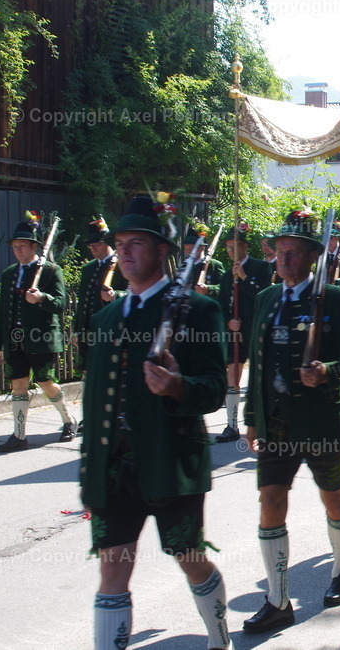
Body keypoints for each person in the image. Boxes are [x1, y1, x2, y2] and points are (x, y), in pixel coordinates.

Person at [80, 195, 230, 650]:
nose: (124, 252)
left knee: (190, 559)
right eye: (120, 243)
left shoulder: (196, 311)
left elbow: (213, 390)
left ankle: (219, 637)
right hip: (115, 468)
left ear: (162, 250)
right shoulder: (105, 317)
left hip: (170, 463)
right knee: (113, 567)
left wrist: (177, 387)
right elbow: (95, 400)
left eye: (136, 244)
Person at [240, 211, 340, 633]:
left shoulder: (334, 298)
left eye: (293, 253)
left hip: (320, 422)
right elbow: (256, 367)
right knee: (270, 500)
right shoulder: (265, 299)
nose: (285, 260)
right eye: (280, 253)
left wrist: (328, 371)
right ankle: (278, 599)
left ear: (313, 257)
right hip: (276, 421)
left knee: (332, 497)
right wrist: (252, 419)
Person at [0, 211, 76, 450]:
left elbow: (61, 304)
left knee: (46, 381)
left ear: (33, 247)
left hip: (42, 339)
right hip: (14, 341)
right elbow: (3, 312)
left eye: (22, 246)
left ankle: (68, 420)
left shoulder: (49, 270)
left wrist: (41, 298)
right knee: (18, 385)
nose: (18, 251)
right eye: (14, 246)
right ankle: (19, 436)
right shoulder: (9, 275)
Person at [216, 224, 272, 443]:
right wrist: (228, 321)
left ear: (245, 246)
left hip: (255, 331)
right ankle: (231, 425)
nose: (230, 252)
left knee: (259, 379)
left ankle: (261, 423)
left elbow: (263, 296)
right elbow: (221, 305)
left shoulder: (261, 268)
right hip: (235, 334)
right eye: (228, 247)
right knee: (233, 376)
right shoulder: (225, 276)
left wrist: (246, 278)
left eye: (234, 247)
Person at [75, 216, 128, 371]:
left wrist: (115, 296)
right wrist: (77, 331)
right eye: (91, 246)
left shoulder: (122, 265)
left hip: (111, 330)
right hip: (88, 332)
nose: (93, 249)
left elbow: (134, 294)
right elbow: (83, 302)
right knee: (87, 372)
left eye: (97, 245)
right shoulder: (87, 269)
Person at [183, 227, 226, 298]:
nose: (187, 252)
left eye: (191, 249)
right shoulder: (184, 267)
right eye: (185, 248)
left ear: (202, 247)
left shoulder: (215, 265)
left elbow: (225, 287)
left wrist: (208, 289)